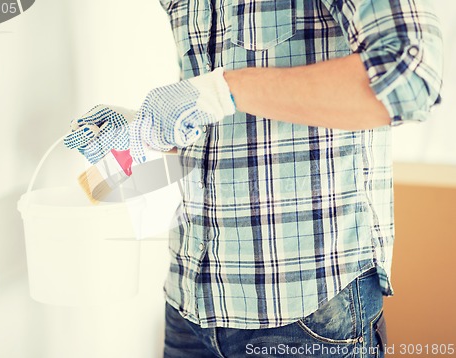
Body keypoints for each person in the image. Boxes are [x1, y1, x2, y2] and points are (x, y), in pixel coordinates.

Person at [65, 0, 443, 356]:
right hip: (188, 305)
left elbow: (409, 79)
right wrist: (142, 132)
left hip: (306, 317)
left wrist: (222, 90)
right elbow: (227, 130)